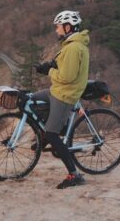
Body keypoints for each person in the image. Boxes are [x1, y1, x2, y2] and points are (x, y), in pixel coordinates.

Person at [34, 10, 90, 189]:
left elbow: (67, 77)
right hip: (57, 90)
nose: (56, 30)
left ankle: (74, 174)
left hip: (65, 95)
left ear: (67, 27)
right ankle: (46, 135)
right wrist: (50, 65)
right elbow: (63, 65)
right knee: (30, 100)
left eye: (58, 26)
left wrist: (49, 71)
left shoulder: (73, 47)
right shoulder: (70, 45)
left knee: (52, 134)